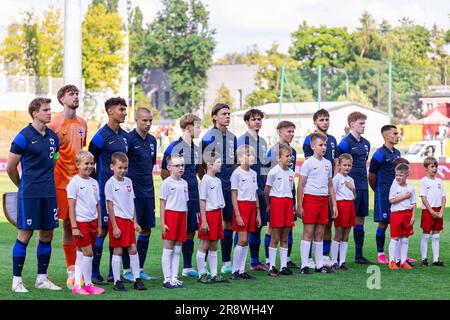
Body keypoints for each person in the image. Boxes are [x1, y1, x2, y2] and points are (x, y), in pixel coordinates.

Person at [7, 97, 62, 292]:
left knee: (47, 234)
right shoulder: (23, 136)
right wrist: (22, 185)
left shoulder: (55, 138)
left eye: (50, 109)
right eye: (46, 110)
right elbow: (11, 167)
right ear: (35, 113)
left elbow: (54, 160)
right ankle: (16, 281)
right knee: (25, 234)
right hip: (29, 193)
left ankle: (41, 279)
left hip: (49, 192)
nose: (49, 112)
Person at [48, 85, 88, 289]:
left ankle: (73, 270)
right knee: (52, 226)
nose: (75, 97)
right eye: (71, 94)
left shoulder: (83, 123)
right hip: (59, 182)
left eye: (77, 94)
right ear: (62, 99)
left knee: (77, 224)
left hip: (78, 183)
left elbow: (82, 152)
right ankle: (42, 273)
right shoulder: (54, 123)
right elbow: (52, 153)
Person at [88, 97, 129, 285]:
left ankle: (114, 273)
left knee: (116, 228)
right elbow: (91, 159)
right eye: (121, 109)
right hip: (105, 192)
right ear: (110, 111)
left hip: (121, 192)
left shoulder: (124, 136)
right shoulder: (100, 136)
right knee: (102, 230)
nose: (124, 112)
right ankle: (94, 273)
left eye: (125, 109)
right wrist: (98, 182)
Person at [162, 113, 202, 278]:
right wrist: (175, 189)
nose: (200, 130)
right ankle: (170, 272)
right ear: (188, 127)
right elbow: (165, 171)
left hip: (194, 195)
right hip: (178, 200)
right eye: (198, 126)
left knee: (191, 230)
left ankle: (187, 267)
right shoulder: (173, 147)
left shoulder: (197, 149)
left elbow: (200, 171)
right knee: (175, 233)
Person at [201, 103, 237, 274]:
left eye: (229, 114)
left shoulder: (232, 137)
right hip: (215, 185)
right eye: (223, 114)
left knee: (229, 222)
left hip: (229, 184)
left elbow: (235, 161)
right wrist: (208, 183)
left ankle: (226, 262)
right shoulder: (208, 137)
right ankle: (206, 263)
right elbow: (202, 163)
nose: (227, 117)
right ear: (214, 117)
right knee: (214, 223)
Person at [105, 152, 147, 291]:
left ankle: (137, 279)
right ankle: (117, 281)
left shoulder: (129, 182)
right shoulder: (110, 183)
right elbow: (109, 206)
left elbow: (131, 202)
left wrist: (135, 222)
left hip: (129, 221)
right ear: (112, 167)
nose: (122, 170)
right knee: (118, 250)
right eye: (120, 167)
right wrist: (115, 226)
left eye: (125, 168)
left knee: (133, 249)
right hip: (117, 220)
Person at [336, 111, 373, 265]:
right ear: (351, 124)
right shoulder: (345, 143)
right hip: (347, 188)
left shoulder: (367, 143)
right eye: (360, 123)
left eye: (364, 123)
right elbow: (337, 163)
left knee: (360, 221)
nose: (363, 126)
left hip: (362, 186)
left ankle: (359, 255)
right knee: (343, 222)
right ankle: (337, 256)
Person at [298, 132, 338, 274]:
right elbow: (301, 185)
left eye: (325, 145)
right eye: (320, 145)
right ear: (313, 146)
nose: (324, 148)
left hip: (323, 200)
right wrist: (299, 205)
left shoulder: (328, 164)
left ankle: (319, 264)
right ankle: (304, 265)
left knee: (320, 233)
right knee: (308, 232)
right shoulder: (307, 163)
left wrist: (333, 204)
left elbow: (330, 185)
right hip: (310, 199)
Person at [67, 151, 105, 295]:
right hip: (80, 223)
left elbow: (97, 205)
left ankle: (77, 285)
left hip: (93, 222)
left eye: (91, 163)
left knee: (81, 254)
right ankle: (87, 284)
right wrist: (74, 226)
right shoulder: (74, 183)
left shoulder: (94, 183)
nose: (89, 166)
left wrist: (99, 225)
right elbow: (71, 207)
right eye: (86, 163)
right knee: (89, 253)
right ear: (77, 165)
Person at [236, 109, 270, 272]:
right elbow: (237, 164)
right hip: (245, 190)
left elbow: (264, 166)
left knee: (258, 224)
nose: (257, 122)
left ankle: (255, 261)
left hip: (259, 189)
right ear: (247, 122)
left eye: (259, 119)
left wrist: (264, 185)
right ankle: (234, 265)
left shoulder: (263, 142)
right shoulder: (242, 140)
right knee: (242, 227)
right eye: (254, 119)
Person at [126, 107, 158, 281]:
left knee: (146, 230)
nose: (148, 124)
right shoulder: (129, 139)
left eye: (150, 120)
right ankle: (126, 270)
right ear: (136, 120)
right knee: (129, 230)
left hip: (148, 190)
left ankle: (140, 268)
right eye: (144, 120)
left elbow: (151, 164)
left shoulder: (153, 140)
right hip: (133, 191)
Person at [265, 121, 298, 270]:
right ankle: (269, 262)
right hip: (276, 200)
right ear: (279, 132)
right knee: (272, 232)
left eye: (293, 131)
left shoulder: (293, 156)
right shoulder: (272, 151)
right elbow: (267, 183)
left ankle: (285, 264)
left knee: (286, 232)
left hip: (288, 200)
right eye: (288, 131)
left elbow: (291, 184)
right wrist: (268, 204)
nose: (291, 134)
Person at [368, 125, 401, 264]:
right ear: (386, 136)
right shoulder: (379, 154)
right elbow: (371, 175)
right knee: (383, 223)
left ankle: (399, 255)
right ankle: (380, 254)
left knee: (398, 222)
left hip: (397, 193)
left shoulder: (397, 153)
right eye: (395, 133)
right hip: (383, 194)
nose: (397, 136)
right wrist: (378, 190)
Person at [196, 151, 229, 284]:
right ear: (209, 165)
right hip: (208, 215)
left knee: (215, 245)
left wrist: (220, 219)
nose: (220, 164)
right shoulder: (205, 180)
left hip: (216, 214)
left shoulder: (217, 180)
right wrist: (204, 221)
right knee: (204, 244)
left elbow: (219, 202)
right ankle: (201, 273)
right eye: (218, 162)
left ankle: (214, 274)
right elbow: (202, 201)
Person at [230, 145, 260, 280]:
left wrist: (258, 212)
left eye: (253, 154)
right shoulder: (237, 173)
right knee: (241, 239)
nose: (252, 157)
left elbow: (255, 193)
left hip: (252, 206)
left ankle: (242, 270)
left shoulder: (253, 173)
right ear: (240, 158)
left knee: (246, 240)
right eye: (248, 154)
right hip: (242, 207)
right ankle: (235, 270)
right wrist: (237, 214)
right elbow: (234, 194)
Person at [160, 154, 189, 289]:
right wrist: (163, 223)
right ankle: (167, 280)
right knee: (168, 248)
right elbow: (162, 204)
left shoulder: (185, 183)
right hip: (171, 216)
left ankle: (174, 277)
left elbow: (186, 203)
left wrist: (186, 220)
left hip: (182, 216)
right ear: (169, 168)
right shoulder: (166, 183)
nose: (180, 168)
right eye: (177, 165)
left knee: (178, 248)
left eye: (182, 165)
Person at [387, 163, 416, 270]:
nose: (398, 177)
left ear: (407, 174)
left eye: (401, 175)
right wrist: (404, 196)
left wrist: (413, 216)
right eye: (397, 175)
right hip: (396, 214)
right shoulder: (394, 186)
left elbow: (413, 203)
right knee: (395, 238)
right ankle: (392, 261)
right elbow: (391, 200)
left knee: (405, 239)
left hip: (407, 215)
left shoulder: (411, 187)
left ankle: (403, 261)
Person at [419, 157, 446, 267]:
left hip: (438, 211)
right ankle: (424, 259)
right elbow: (423, 198)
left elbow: (444, 197)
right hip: (428, 211)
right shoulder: (424, 181)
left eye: (436, 166)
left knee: (436, 236)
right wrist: (431, 211)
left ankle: (436, 259)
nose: (435, 168)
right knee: (426, 235)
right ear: (426, 168)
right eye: (432, 166)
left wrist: (441, 211)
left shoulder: (439, 181)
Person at [331, 153, 356, 271]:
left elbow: (354, 196)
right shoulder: (336, 178)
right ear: (339, 165)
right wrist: (334, 208)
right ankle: (334, 261)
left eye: (349, 165)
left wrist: (352, 188)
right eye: (345, 165)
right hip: (341, 206)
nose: (347, 167)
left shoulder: (351, 179)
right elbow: (332, 194)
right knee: (338, 234)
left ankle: (342, 261)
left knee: (346, 235)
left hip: (350, 206)